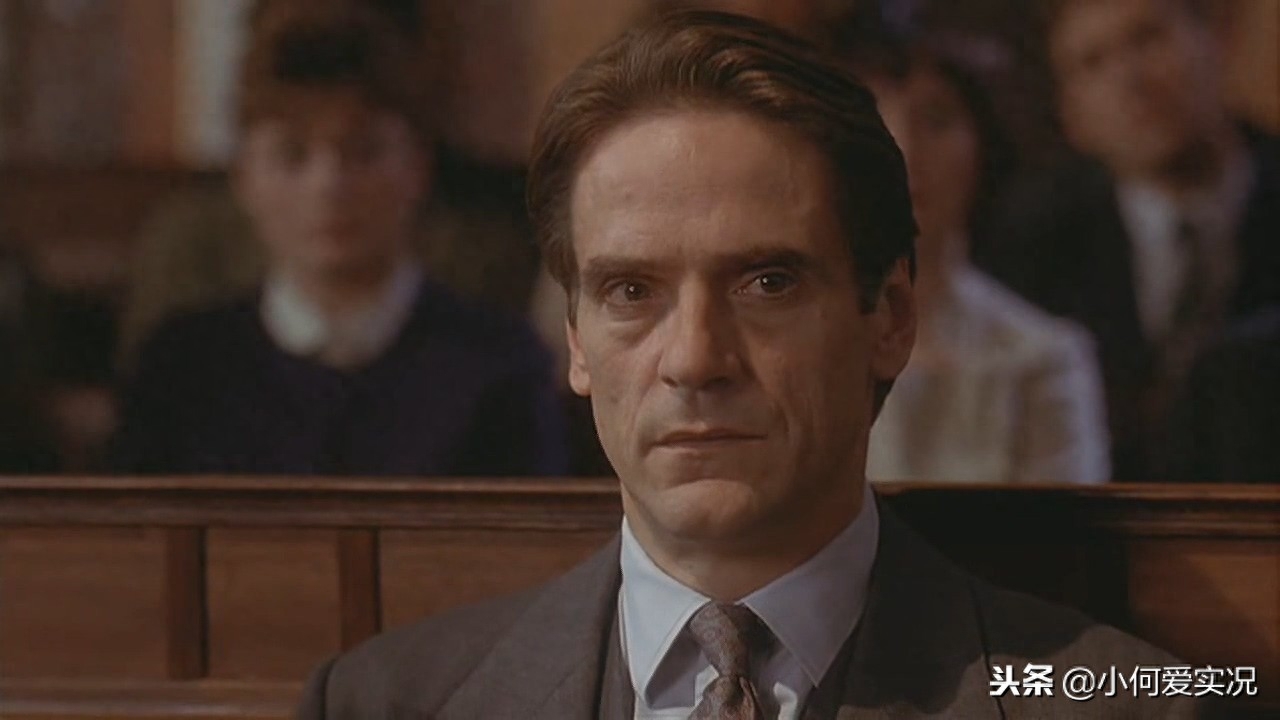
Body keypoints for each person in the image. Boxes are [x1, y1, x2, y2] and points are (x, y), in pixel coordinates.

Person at [296, 11, 1206, 718]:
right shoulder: (381, 703)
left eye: (767, 283)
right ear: (575, 340)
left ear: (889, 318)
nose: (695, 359)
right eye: (630, 292)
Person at [110, 2, 566, 476]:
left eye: (363, 152)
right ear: (244, 178)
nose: (328, 186)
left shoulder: (498, 365)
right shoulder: (181, 368)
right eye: (292, 155)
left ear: (418, 166)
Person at [976, 0, 1280, 481]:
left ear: (1216, 42)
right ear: (1070, 114)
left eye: (1148, 38)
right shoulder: (1030, 242)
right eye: (1092, 63)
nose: (1130, 80)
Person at [856, 43, 1110, 483]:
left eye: (935, 121)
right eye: (877, 123)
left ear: (983, 145)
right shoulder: (808, 343)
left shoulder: (1042, 354)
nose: (906, 149)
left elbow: (1069, 520)